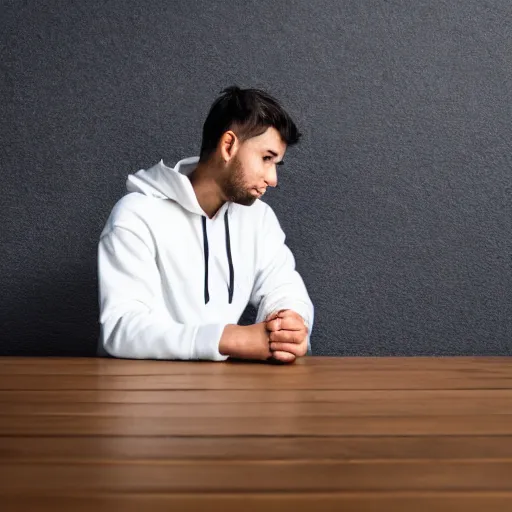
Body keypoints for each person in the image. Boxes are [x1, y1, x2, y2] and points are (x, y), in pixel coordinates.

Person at [97, 86, 314, 363]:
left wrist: (288, 322)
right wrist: (229, 339)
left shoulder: (259, 219)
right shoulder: (136, 215)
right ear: (228, 146)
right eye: (266, 158)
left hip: (225, 395)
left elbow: (285, 288)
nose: (273, 179)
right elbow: (121, 329)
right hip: (144, 395)